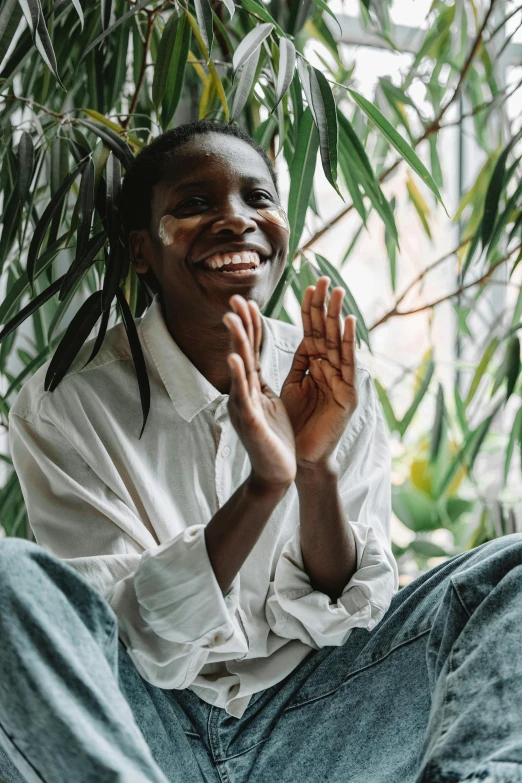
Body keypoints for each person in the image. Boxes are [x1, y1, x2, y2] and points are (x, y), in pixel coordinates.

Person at [0, 120, 521, 783]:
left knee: (512, 570)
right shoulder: (65, 405)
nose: (236, 220)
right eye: (194, 204)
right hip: (147, 732)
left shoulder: (331, 371)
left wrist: (311, 468)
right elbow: (131, 639)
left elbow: (348, 609)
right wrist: (262, 486)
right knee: (6, 573)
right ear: (140, 249)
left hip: (319, 721)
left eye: (258, 198)